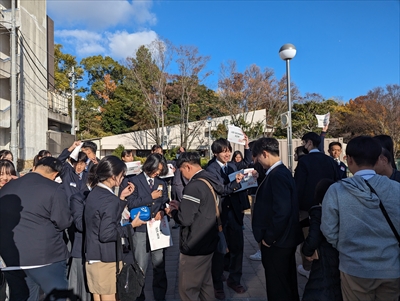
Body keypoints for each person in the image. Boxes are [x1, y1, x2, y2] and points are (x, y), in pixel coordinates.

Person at [321, 136, 400, 301]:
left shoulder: (336, 191)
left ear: (349, 159)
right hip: (392, 267)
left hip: (354, 267)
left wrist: (345, 245)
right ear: (378, 158)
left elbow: (329, 229)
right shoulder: (396, 188)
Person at [0, 157, 72, 301]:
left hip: (12, 259)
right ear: (54, 175)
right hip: (46, 257)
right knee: (56, 296)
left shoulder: (7, 188)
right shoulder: (54, 188)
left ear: (34, 167)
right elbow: (63, 222)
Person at [84, 156, 145, 301]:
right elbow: (107, 233)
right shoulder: (108, 199)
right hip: (107, 258)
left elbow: (105, 218)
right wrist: (131, 227)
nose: (123, 179)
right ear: (114, 176)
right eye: (122, 175)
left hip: (93, 256)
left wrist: (121, 199)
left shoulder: (94, 193)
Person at [165, 152, 224, 301]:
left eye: (181, 170)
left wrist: (172, 212)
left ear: (188, 166)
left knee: (188, 289)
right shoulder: (209, 180)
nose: (182, 174)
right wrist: (182, 205)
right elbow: (202, 207)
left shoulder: (194, 186)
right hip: (208, 241)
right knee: (205, 285)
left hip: (194, 245)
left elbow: (185, 219)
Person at [251, 137, 303, 301]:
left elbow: (282, 211)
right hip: (283, 241)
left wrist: (268, 238)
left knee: (278, 287)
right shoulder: (280, 172)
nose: (257, 161)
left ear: (264, 154)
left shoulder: (277, 175)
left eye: (258, 157)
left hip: (278, 243)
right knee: (286, 283)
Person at [206, 138, 249, 300]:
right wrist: (235, 184)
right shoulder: (211, 169)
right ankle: (217, 284)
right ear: (216, 153)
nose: (227, 153)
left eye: (229, 150)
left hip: (235, 214)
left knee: (238, 248)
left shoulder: (232, 166)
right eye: (224, 151)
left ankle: (234, 279)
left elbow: (245, 166)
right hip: (220, 215)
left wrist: (248, 178)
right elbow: (221, 190)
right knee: (219, 251)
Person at [294, 132, 340, 278]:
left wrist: (296, 207)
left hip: (307, 208)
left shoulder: (304, 161)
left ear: (309, 143)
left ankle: (308, 268)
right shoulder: (331, 161)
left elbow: (298, 187)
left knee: (308, 237)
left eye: (304, 142)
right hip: (330, 205)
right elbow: (339, 181)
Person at [126, 153, 169, 301]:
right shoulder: (134, 181)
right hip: (140, 229)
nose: (157, 173)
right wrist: (151, 197)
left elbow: (165, 202)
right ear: (150, 165)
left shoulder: (161, 183)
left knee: (159, 265)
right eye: (156, 169)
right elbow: (131, 203)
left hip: (157, 228)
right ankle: (139, 295)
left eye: (160, 171)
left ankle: (160, 296)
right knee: (140, 265)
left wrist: (163, 211)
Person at [301, 179, 342, 301]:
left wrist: (307, 251)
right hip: (338, 257)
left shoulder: (318, 212)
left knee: (320, 289)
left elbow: (313, 236)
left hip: (323, 258)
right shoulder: (341, 210)